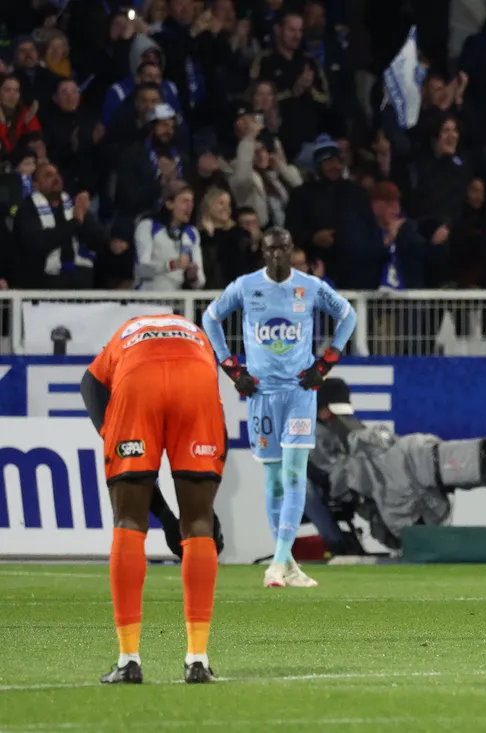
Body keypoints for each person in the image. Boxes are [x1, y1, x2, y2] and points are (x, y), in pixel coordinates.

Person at [202, 227, 358, 588]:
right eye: (270, 250)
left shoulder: (309, 287)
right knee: (273, 480)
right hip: (261, 396)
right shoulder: (245, 286)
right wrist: (231, 368)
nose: (277, 255)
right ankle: (285, 562)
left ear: (291, 250)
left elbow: (347, 316)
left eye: (283, 249)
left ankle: (277, 563)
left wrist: (325, 364)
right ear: (263, 252)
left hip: (299, 394)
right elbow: (211, 319)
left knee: (293, 475)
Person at [79, 314, 227, 684]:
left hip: (137, 382)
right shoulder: (196, 339)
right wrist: (206, 510)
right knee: (199, 526)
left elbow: (90, 384)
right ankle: (198, 660)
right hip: (197, 382)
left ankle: (128, 660)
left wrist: (109, 432)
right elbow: (217, 420)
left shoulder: (123, 337)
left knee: (128, 522)